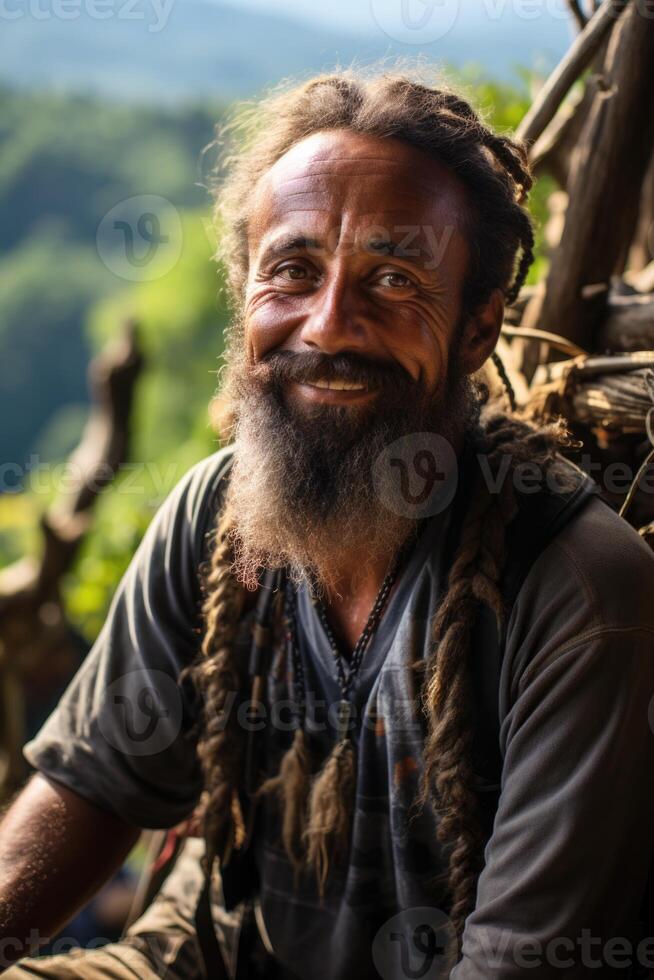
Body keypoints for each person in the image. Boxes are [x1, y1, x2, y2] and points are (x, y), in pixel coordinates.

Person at [2, 69, 654, 979]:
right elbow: (89, 790)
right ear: (246, 299)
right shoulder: (215, 515)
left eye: (394, 279)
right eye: (293, 272)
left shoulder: (577, 591)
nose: (330, 325)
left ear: (477, 330)